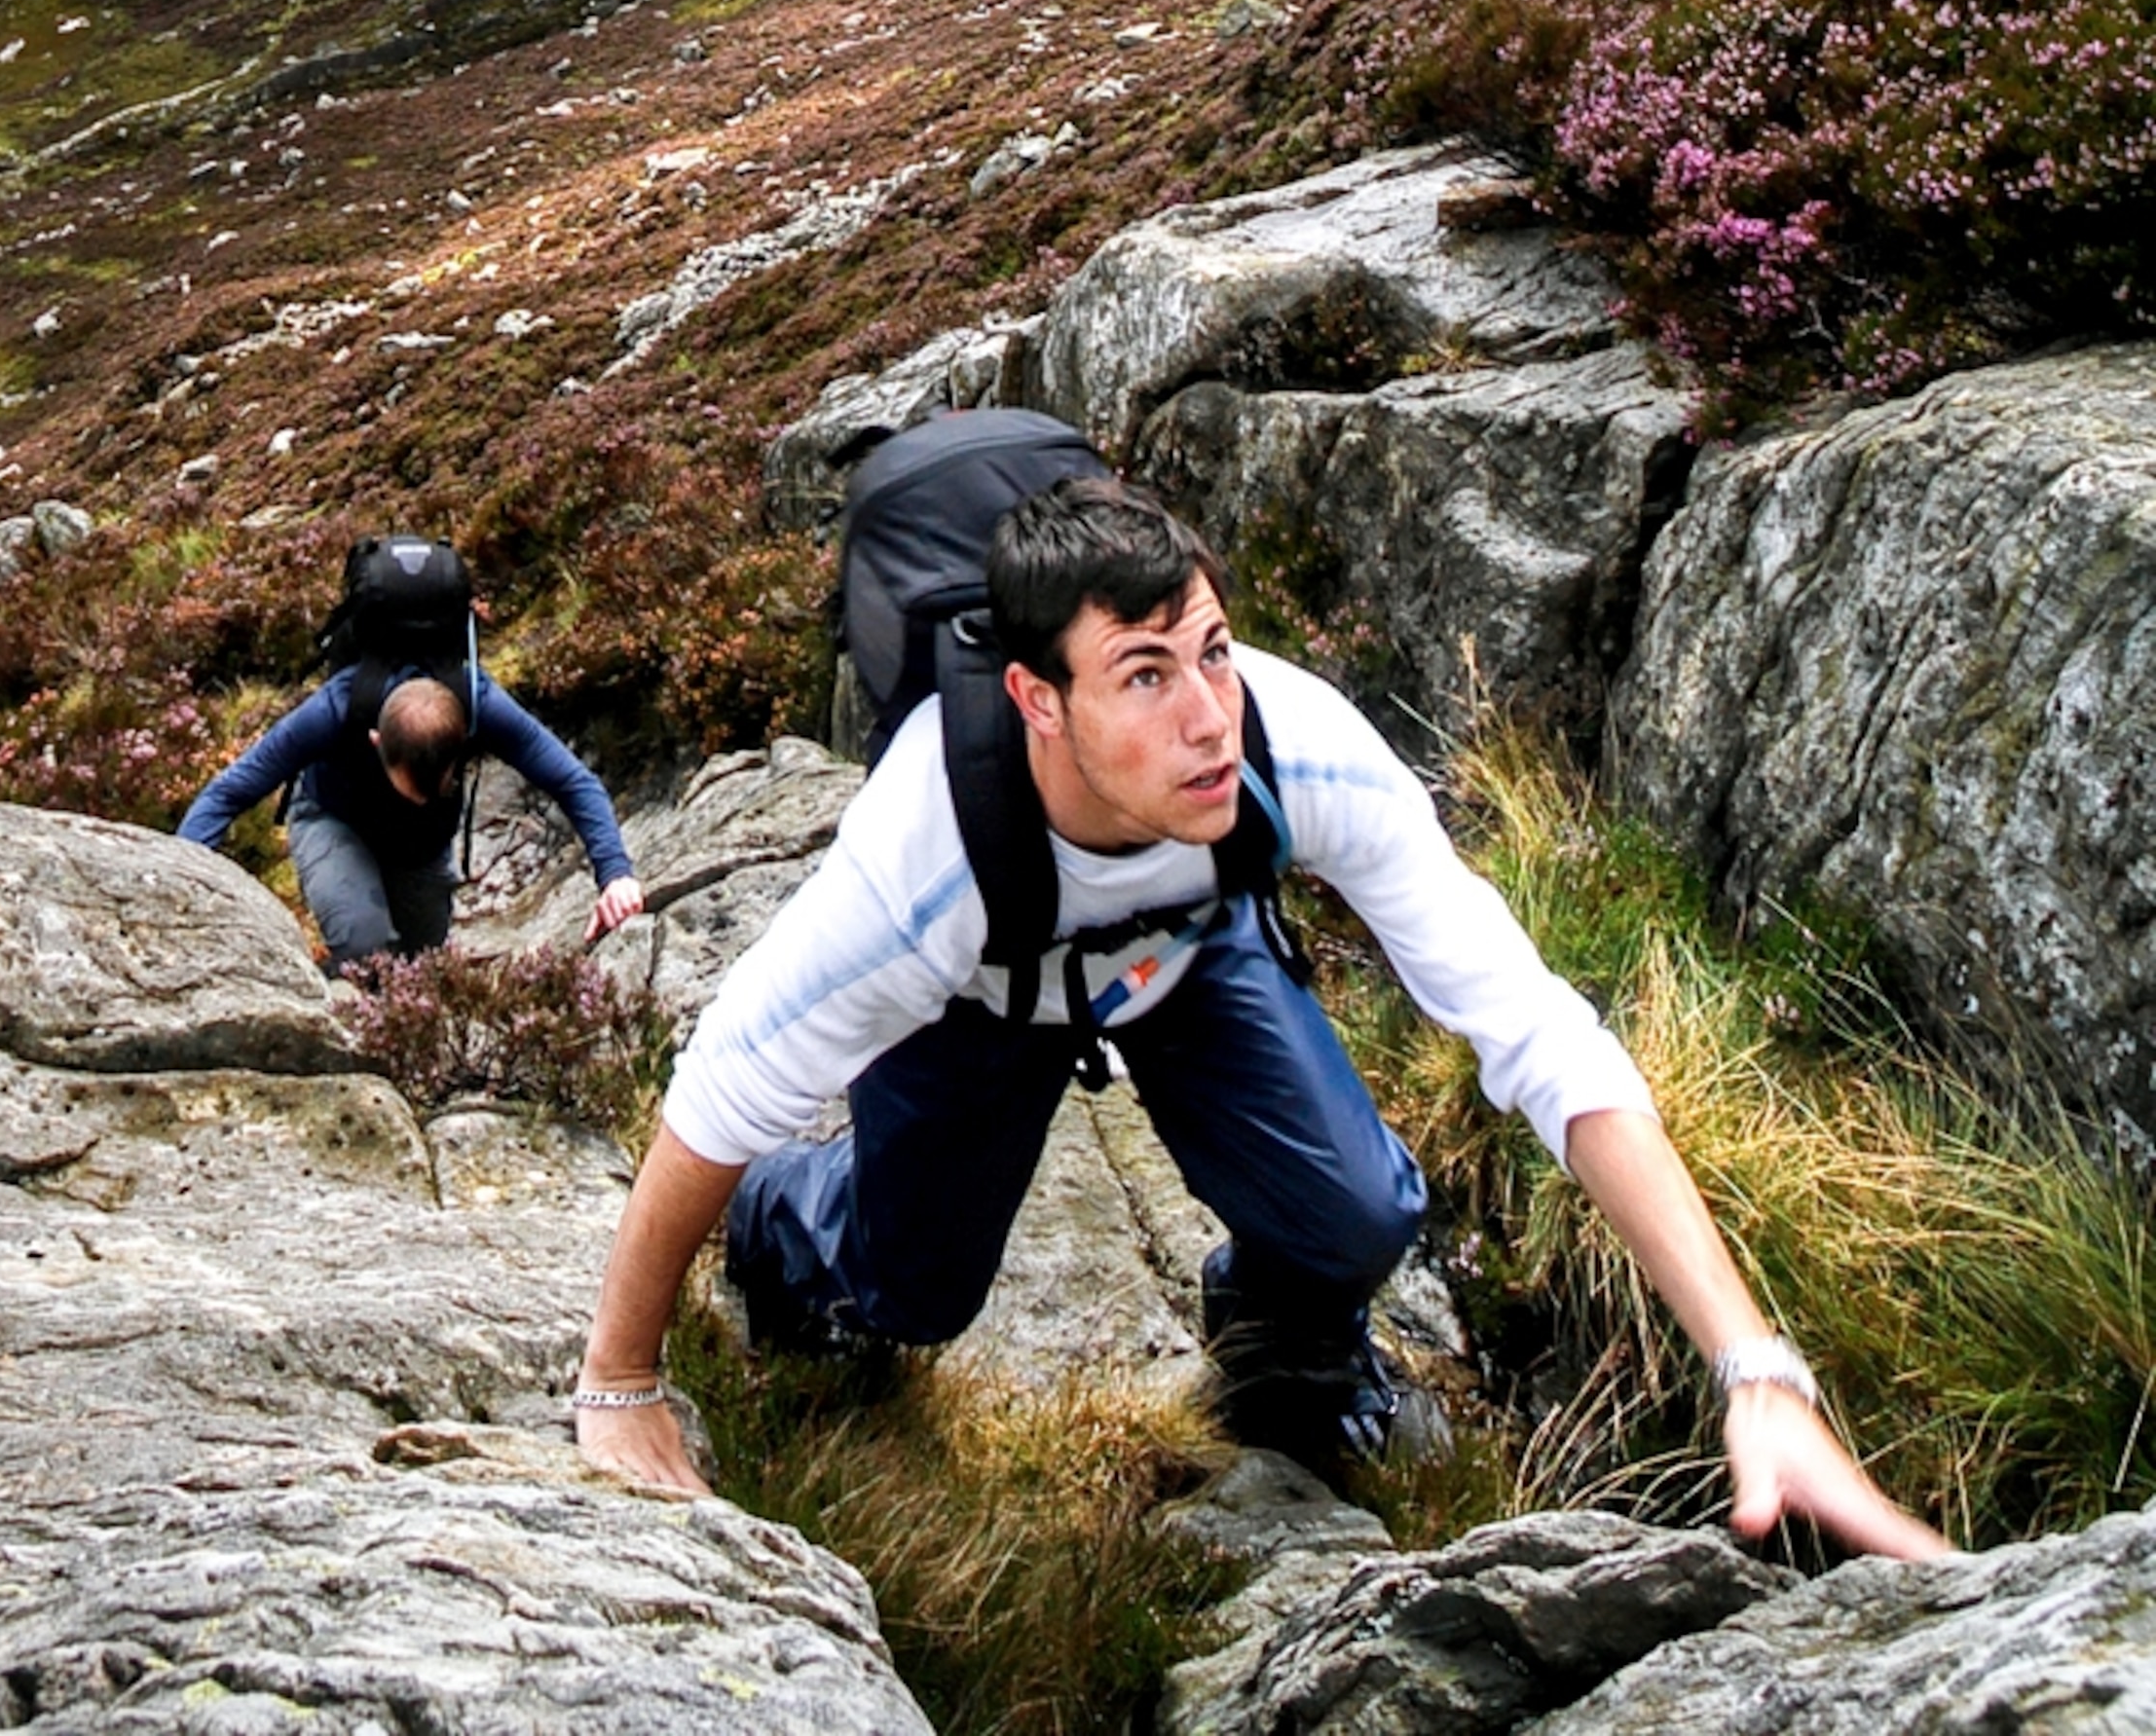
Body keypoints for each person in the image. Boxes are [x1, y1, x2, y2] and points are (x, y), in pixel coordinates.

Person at [571, 476, 1949, 1562]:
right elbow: (721, 1089)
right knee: (911, 1294)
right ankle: (797, 1229)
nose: (1209, 716)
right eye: (1147, 675)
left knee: (1357, 1210)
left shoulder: (1294, 741)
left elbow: (1539, 1030)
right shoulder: (919, 864)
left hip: (1184, 949)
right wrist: (621, 1382)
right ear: (1037, 701)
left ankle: (1287, 1359)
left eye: (1215, 650)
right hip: (981, 995)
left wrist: (1755, 1365)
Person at [176, 664, 646, 970]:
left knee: (422, 970)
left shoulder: (482, 706)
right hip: (331, 818)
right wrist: (174, 882)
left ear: (462, 749)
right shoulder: (335, 709)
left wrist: (616, 875)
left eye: (433, 787)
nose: (420, 796)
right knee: (367, 953)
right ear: (376, 742)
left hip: (421, 845)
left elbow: (575, 782)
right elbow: (229, 792)